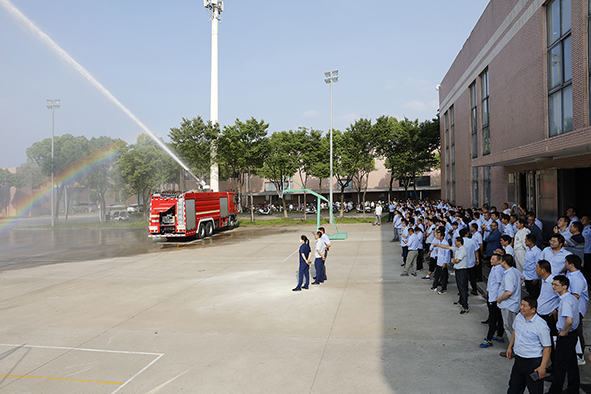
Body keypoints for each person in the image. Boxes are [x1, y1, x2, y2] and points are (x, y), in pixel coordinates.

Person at [505, 296, 551, 394]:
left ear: (533, 310)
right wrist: (510, 347)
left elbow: (547, 348)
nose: (521, 307)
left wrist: (542, 367)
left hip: (533, 365)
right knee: (513, 389)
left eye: (524, 306)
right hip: (518, 362)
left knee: (535, 390)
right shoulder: (519, 317)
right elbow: (515, 331)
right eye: (521, 304)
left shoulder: (541, 325)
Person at [547, 274, 580, 394]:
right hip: (572, 335)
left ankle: (554, 392)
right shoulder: (571, 298)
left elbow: (569, 320)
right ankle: (573, 389)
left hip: (566, 336)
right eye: (553, 284)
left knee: (560, 366)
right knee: (572, 365)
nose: (553, 287)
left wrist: (564, 332)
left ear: (565, 286)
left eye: (556, 285)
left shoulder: (565, 301)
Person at [564, 255, 588, 366]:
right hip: (572, 308)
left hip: (577, 308)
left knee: (577, 332)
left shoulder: (577, 278)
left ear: (572, 265)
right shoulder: (570, 274)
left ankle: (580, 355)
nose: (564, 264)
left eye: (566, 262)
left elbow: (576, 295)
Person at [497, 254, 521, 357]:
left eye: (501, 261)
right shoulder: (515, 271)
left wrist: (499, 299)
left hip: (509, 305)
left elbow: (508, 292)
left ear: (504, 262)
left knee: (509, 327)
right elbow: (522, 278)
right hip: (514, 303)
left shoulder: (509, 275)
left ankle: (513, 349)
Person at [480, 254, 505, 348]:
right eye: (491, 258)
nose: (491, 260)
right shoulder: (495, 268)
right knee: (498, 317)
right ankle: (499, 335)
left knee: (493, 319)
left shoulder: (498, 269)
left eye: (493, 259)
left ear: (499, 261)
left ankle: (489, 339)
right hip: (492, 295)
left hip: (495, 297)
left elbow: (500, 283)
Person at [431, 228, 450, 295]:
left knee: (443, 277)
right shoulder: (440, 242)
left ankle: (444, 289)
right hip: (439, 261)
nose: (437, 237)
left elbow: (447, 254)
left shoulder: (445, 243)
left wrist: (445, 262)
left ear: (442, 236)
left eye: (438, 236)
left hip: (442, 262)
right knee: (436, 275)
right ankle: (434, 286)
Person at [522, 234, 541, 299]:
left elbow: (537, 265)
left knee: (534, 294)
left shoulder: (537, 251)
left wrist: (536, 278)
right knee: (529, 292)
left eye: (526, 240)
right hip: (527, 275)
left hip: (532, 276)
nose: (525, 242)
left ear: (530, 242)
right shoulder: (528, 250)